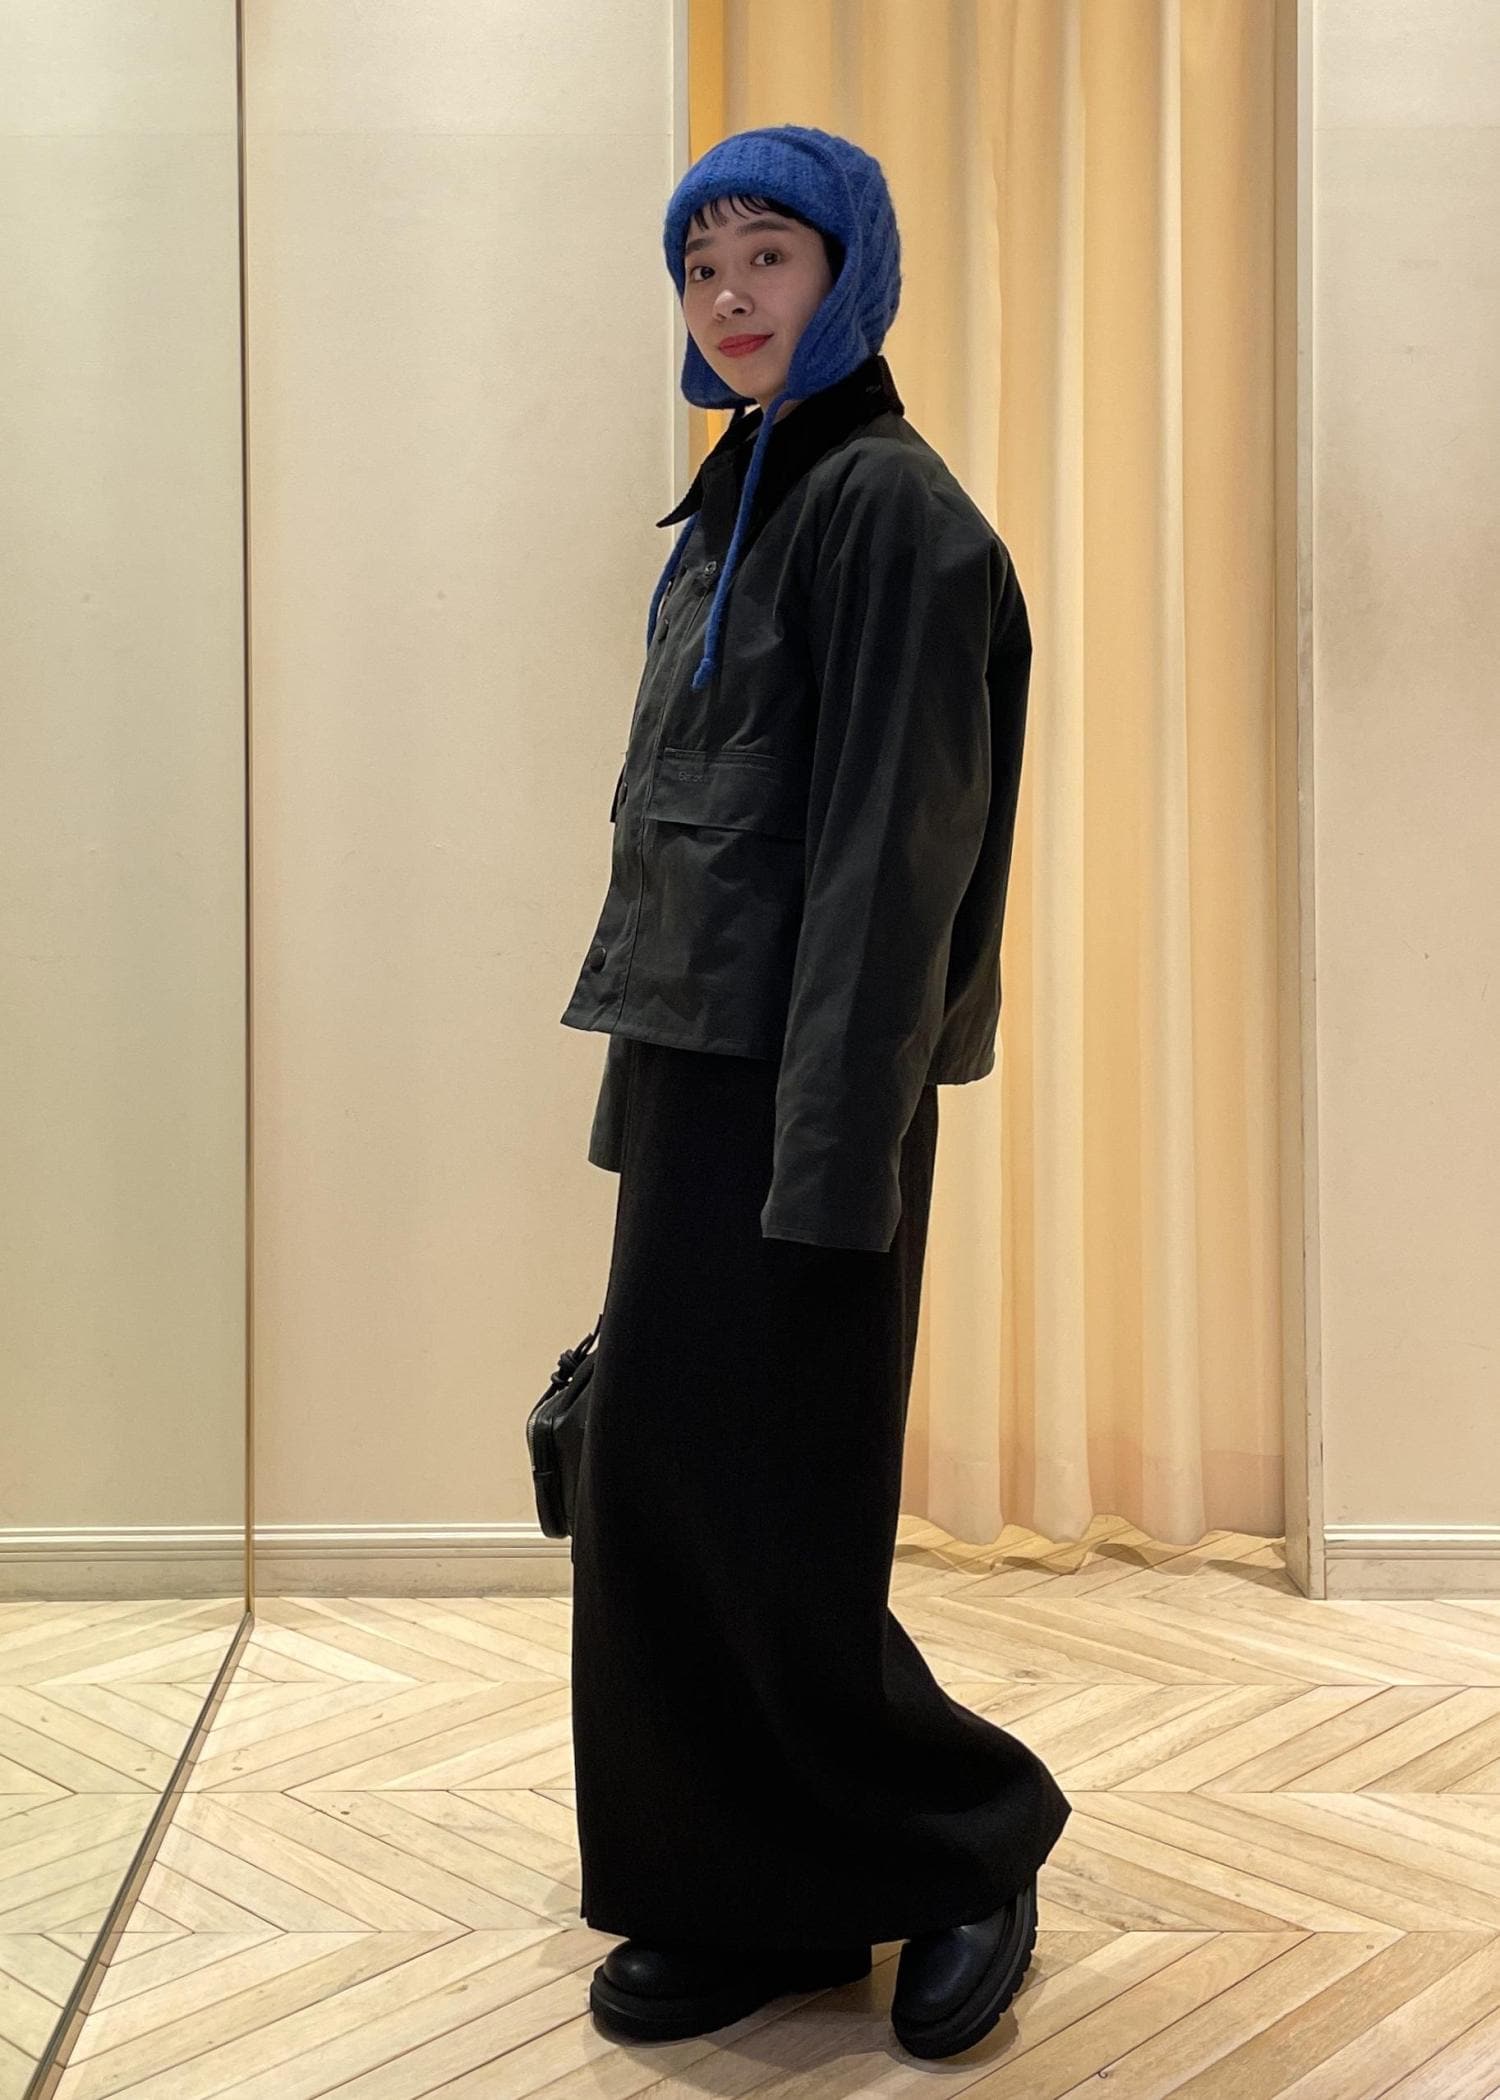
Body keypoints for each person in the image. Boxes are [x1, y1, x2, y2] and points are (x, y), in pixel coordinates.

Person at [557, 124, 1071, 2062]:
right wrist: (641, 1111)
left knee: (779, 1502)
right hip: (702, 1079)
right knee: (666, 1488)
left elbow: (887, 867)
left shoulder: (893, 516)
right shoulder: (742, 498)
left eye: (767, 255)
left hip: (811, 1099)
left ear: (851, 269)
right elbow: (680, 843)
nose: (728, 296)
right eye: (700, 267)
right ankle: (743, 1892)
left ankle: (963, 1845)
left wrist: (836, 1160)